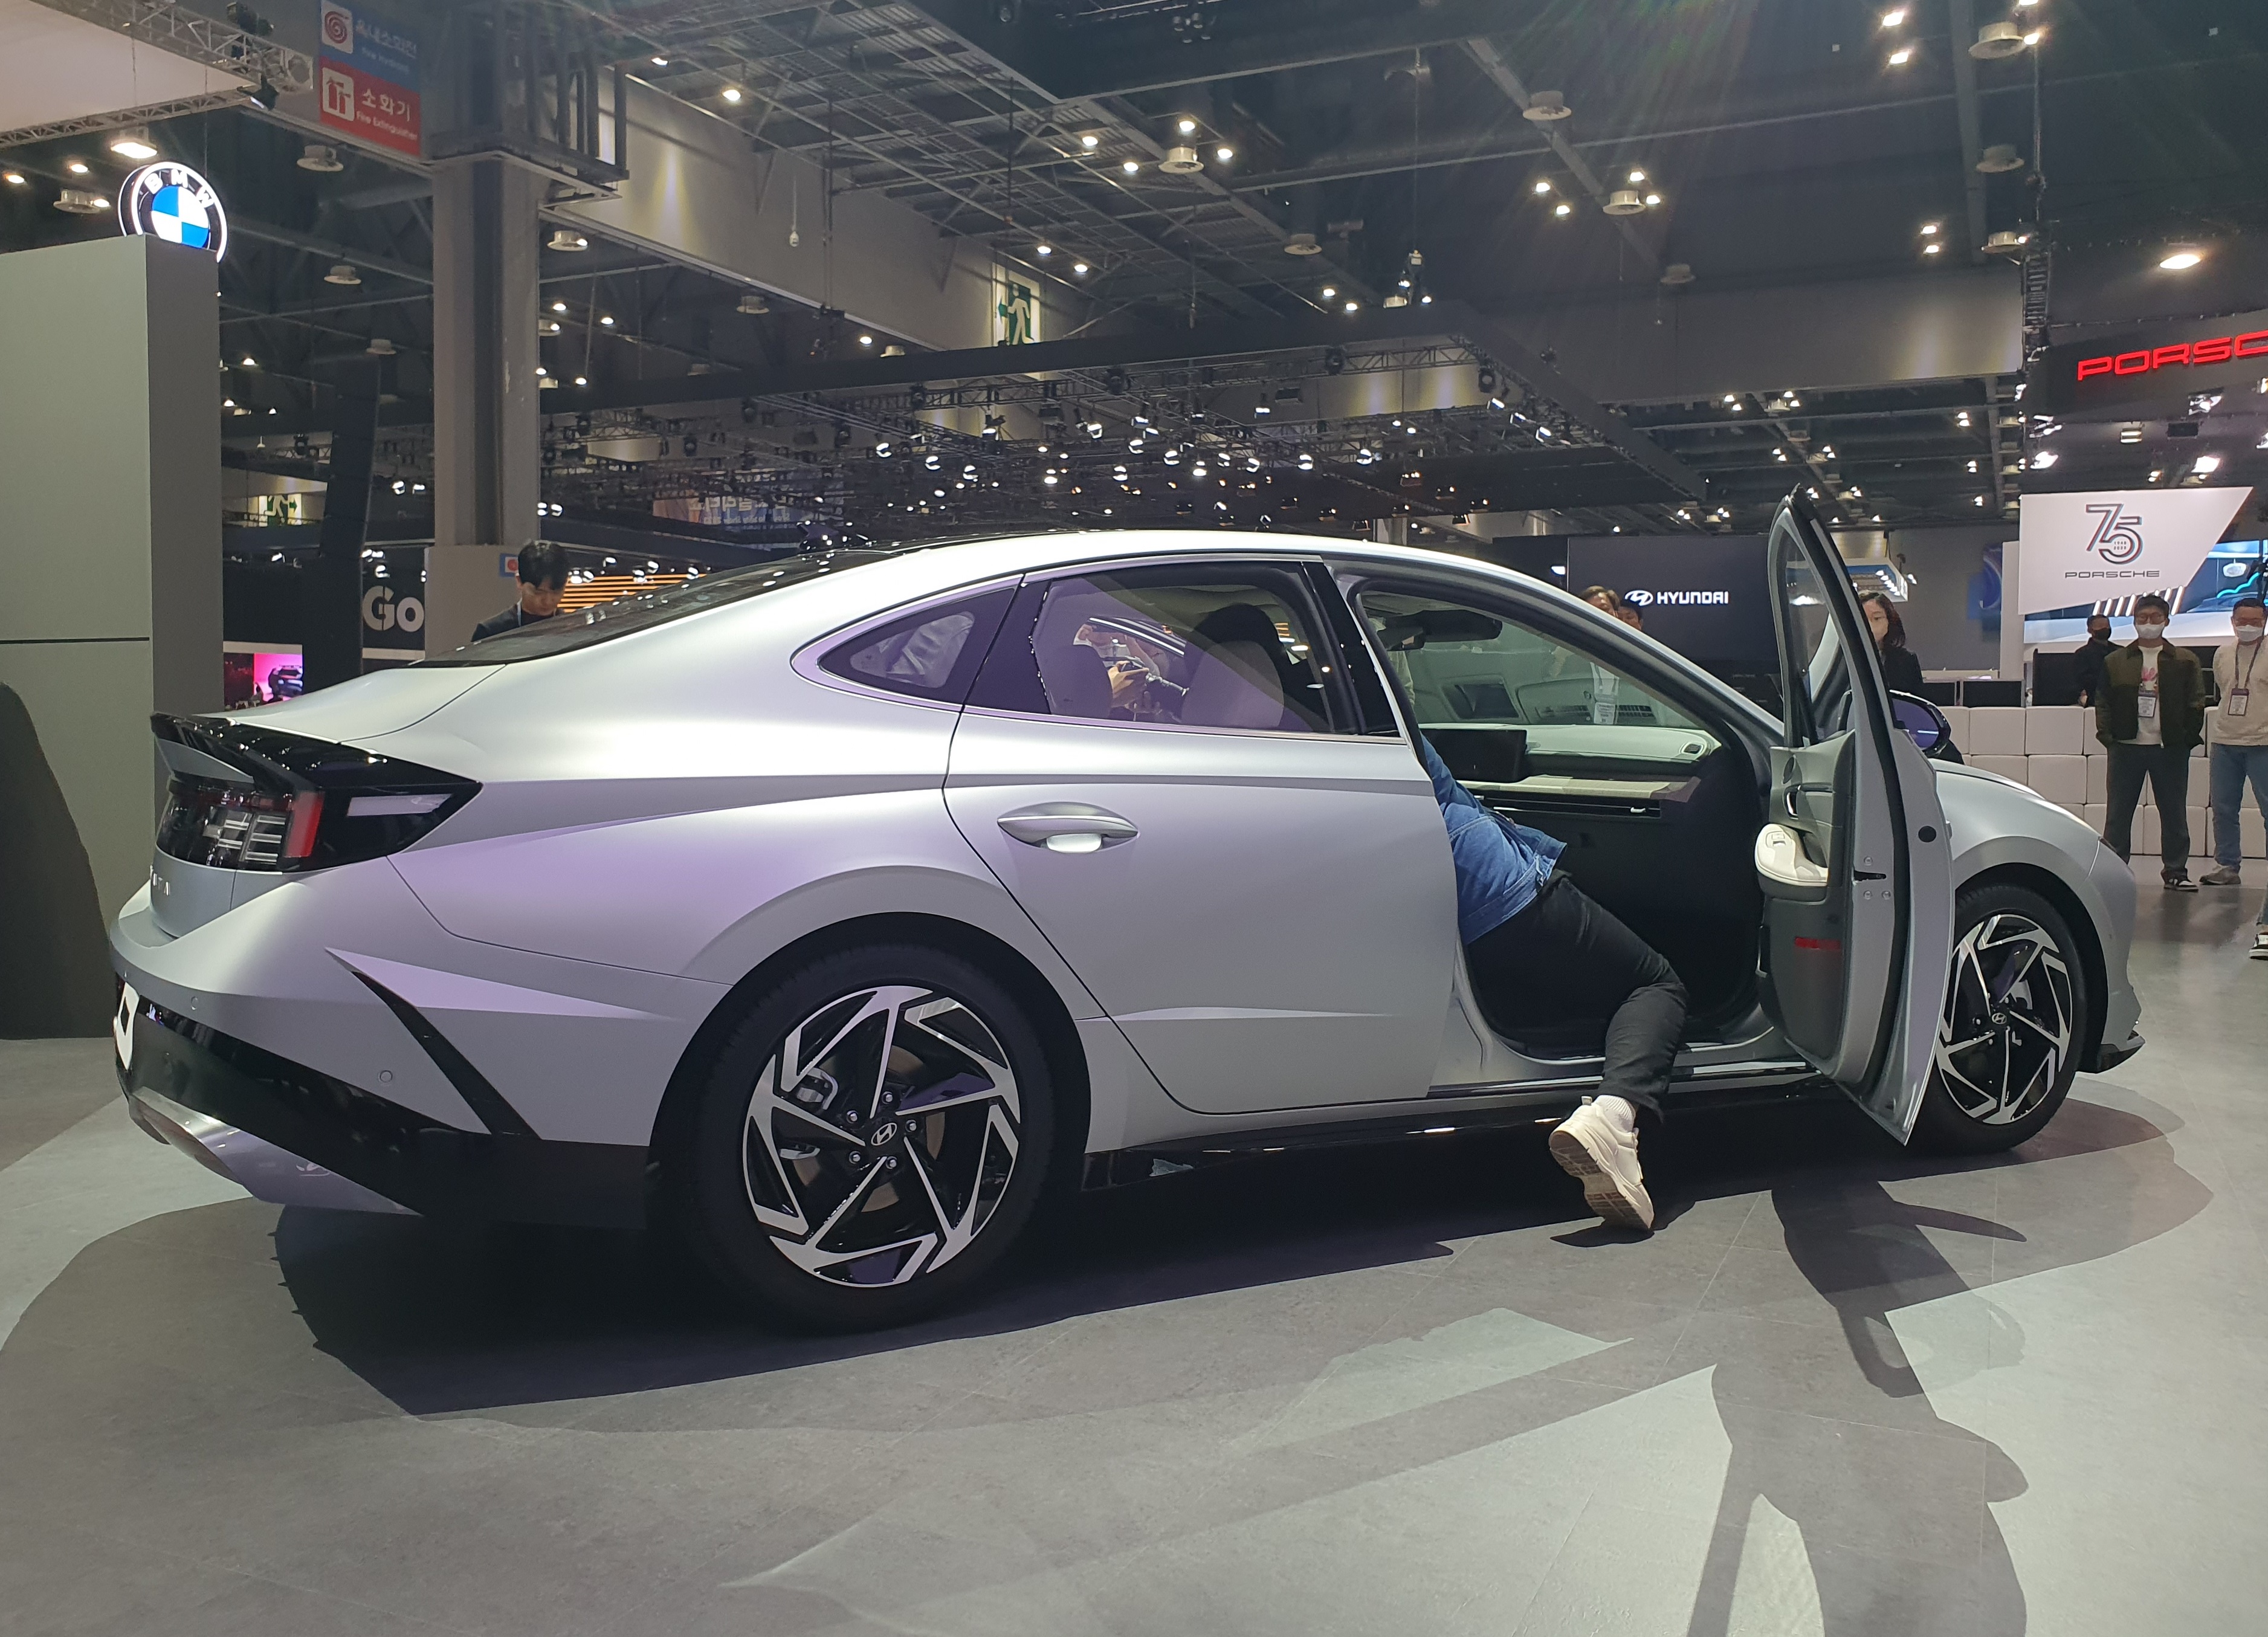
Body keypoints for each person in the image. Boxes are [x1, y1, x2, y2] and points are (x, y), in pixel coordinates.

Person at [1420, 735, 1687, 1232]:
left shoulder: (1318, 719)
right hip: (1495, 888)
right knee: (1654, 983)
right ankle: (1613, 1120)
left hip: (1439, 906)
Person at [2096, 592, 2205, 891]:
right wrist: (2108, 737)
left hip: (2169, 747)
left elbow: (2197, 701)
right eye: (2143, 618)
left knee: (2174, 813)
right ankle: (2115, 871)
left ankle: (2176, 871)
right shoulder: (2115, 661)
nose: (2149, 623)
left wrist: (2185, 738)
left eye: (2155, 617)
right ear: (2134, 622)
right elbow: (2103, 701)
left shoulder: (2185, 660)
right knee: (2118, 814)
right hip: (2126, 746)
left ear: (2167, 621)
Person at [2202, 595, 2268, 890]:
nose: (2248, 626)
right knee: (2224, 809)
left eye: (2255, 621)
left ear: (2264, 622)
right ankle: (2227, 865)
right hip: (2225, 740)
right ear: (2232, 622)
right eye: (2242, 621)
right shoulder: (2223, 653)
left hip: (2264, 742)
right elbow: (2224, 689)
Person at [471, 541, 569, 642]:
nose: (548, 601)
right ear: (519, 581)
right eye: (538, 592)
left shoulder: (572, 628)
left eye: (556, 592)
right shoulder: (491, 632)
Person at [1859, 592, 1926, 695]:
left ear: (1889, 620)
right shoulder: (1844, 659)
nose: (1870, 626)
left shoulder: (1907, 660)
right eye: (1863, 620)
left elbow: (1916, 700)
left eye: (1877, 618)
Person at [2073, 613, 2116, 707]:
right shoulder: (2082, 654)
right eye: (2100, 627)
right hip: (2095, 702)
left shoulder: (2119, 651)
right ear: (2090, 630)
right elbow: (2082, 681)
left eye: (2107, 626)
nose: (2105, 629)